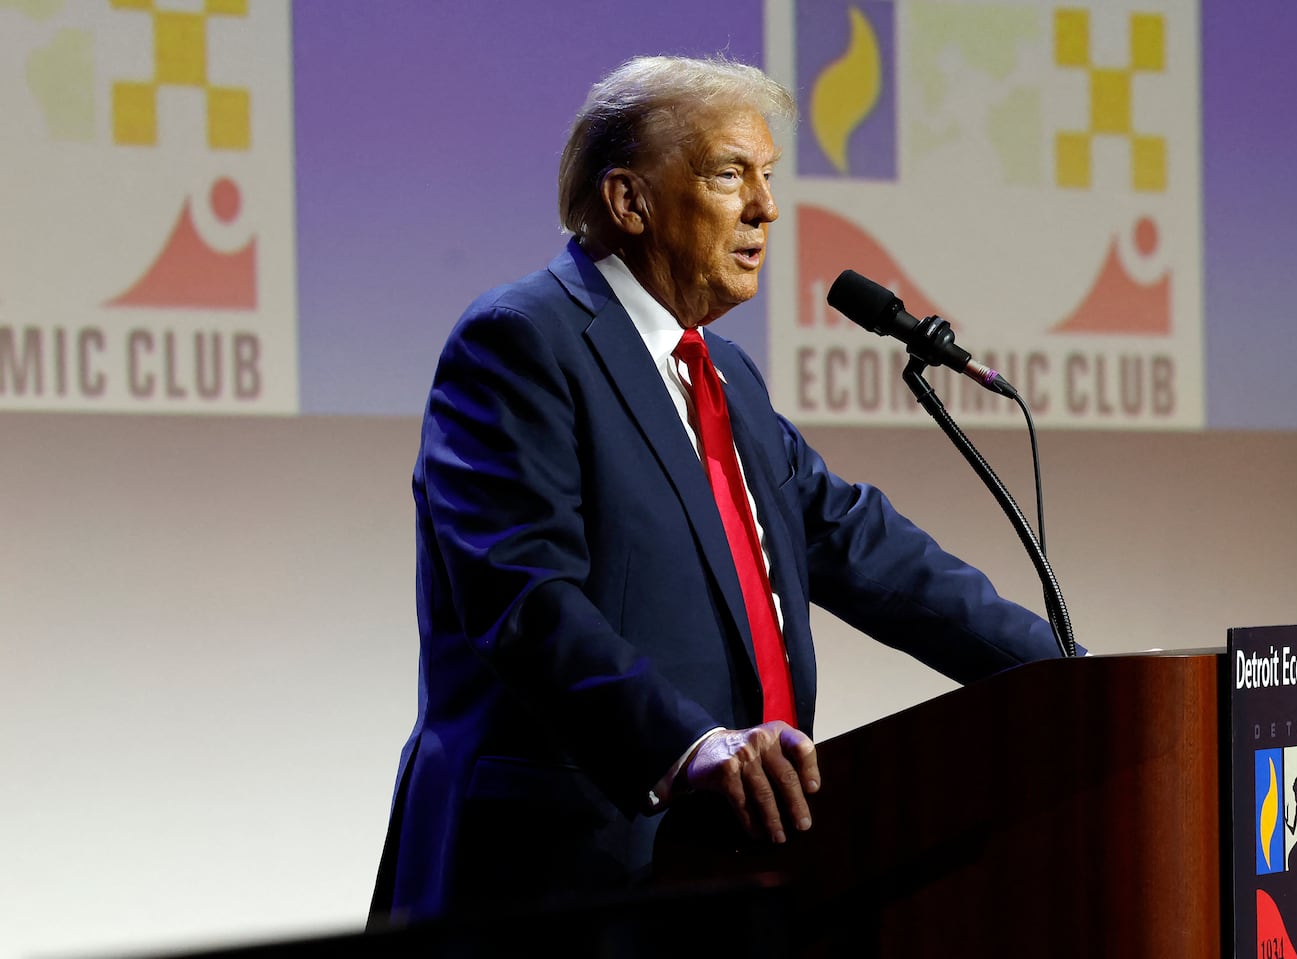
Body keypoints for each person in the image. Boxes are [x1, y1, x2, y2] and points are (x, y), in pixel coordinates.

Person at [368, 54, 1065, 924]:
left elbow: (857, 541)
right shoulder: (520, 342)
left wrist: (1071, 678)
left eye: (767, 177)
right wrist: (689, 744)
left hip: (727, 866)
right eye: (731, 174)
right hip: (558, 875)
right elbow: (525, 596)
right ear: (630, 201)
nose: (766, 207)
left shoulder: (723, 375)